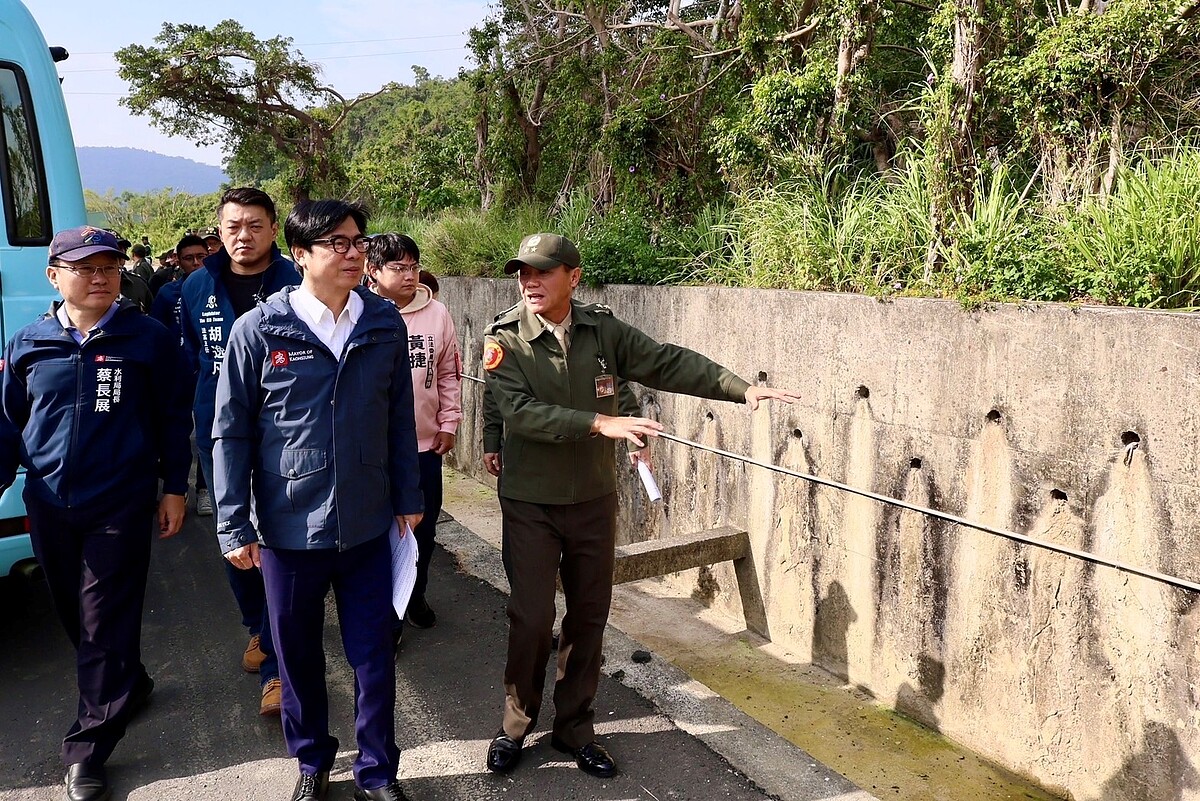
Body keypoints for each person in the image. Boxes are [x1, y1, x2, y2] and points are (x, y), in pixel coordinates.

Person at [482, 233, 799, 780]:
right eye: (522, 273)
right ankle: (515, 726)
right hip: (532, 501)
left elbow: (663, 363)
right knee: (531, 619)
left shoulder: (601, 329)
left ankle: (576, 728)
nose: (529, 282)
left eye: (542, 271)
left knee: (588, 616)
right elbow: (517, 411)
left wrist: (739, 389)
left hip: (594, 500)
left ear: (573, 277)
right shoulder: (506, 339)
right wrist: (600, 423)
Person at [213, 200, 423, 801]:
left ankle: (378, 772)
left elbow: (398, 420)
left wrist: (407, 495)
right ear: (300, 255)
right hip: (287, 527)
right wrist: (234, 524)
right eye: (338, 242)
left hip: (365, 523)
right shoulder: (260, 330)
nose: (354, 252)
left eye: (359, 241)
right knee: (297, 655)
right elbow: (232, 432)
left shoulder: (383, 323)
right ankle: (311, 763)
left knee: (374, 654)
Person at [0, 226, 192, 801]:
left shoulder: (148, 338)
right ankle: (126, 684)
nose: (100, 276)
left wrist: (175, 487)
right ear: (54, 276)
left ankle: (87, 749)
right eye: (84, 267)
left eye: (108, 266)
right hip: (50, 501)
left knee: (102, 617)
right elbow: (10, 423)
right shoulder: (30, 342)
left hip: (121, 500)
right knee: (72, 614)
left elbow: (172, 418)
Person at [179, 187, 299, 716]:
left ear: (274, 228)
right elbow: (191, 360)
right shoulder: (192, 288)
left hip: (287, 429)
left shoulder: (297, 280)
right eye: (232, 227)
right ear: (219, 231)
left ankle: (276, 666)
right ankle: (259, 626)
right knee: (235, 534)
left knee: (278, 536)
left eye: (254, 225)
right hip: (218, 429)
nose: (243, 236)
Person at [366, 234, 461, 634]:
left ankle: (414, 594)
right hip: (373, 451)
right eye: (398, 268)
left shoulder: (437, 313)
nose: (409, 275)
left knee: (423, 528)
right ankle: (382, 616)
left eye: (414, 266)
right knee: (375, 535)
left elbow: (447, 372)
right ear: (373, 271)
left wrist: (449, 421)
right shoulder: (360, 312)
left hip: (423, 446)